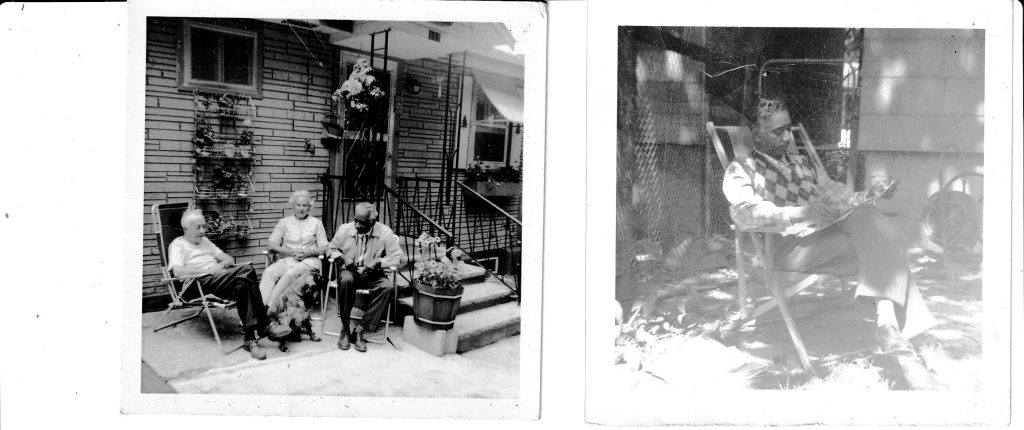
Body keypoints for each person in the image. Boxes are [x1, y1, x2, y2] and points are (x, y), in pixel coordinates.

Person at [722, 95, 936, 357]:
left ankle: (887, 325)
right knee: (885, 240)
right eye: (778, 132)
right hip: (786, 248)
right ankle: (897, 326)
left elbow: (838, 197)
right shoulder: (741, 168)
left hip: (822, 240)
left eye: (789, 129)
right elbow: (744, 214)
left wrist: (871, 193)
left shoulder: (802, 164)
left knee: (874, 224)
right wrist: (799, 213)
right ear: (757, 133)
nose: (788, 137)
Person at [168, 209, 271, 360]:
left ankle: (250, 339)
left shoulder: (205, 242)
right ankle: (264, 324)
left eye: (204, 226)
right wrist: (207, 270)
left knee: (242, 283)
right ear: (186, 229)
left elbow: (230, 260)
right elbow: (177, 271)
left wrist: (220, 265)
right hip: (196, 286)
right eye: (198, 227)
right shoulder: (177, 245)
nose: (203, 231)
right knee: (247, 270)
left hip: (217, 281)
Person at [327, 202, 406, 352]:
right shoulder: (345, 229)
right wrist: (343, 257)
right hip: (350, 272)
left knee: (387, 287)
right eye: (355, 220)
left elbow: (399, 258)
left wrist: (379, 261)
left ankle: (360, 329)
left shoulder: (385, 233)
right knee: (346, 280)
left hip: (373, 274)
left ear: (372, 222)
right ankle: (345, 328)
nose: (356, 225)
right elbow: (330, 249)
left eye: (361, 222)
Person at [259, 190, 329, 306]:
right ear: (293, 205)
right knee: (269, 272)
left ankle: (270, 307)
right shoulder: (284, 222)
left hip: (309, 262)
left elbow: (323, 247)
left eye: (304, 205)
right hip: (288, 259)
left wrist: (306, 253)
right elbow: (271, 245)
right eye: (298, 205)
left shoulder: (316, 223)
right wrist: (291, 252)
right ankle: (258, 309)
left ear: (309, 207)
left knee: (290, 273)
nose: (301, 209)